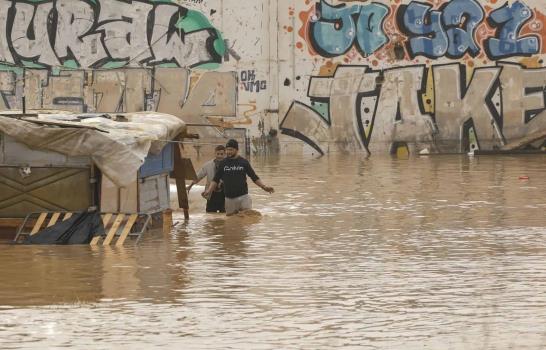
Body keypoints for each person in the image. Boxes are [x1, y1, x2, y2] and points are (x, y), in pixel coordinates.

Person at [203, 139, 274, 216]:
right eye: (227, 150)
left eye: (231, 150)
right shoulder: (223, 163)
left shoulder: (243, 162)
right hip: (229, 199)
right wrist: (209, 191)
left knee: (247, 220)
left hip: (243, 197)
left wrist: (264, 187)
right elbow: (215, 180)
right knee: (231, 223)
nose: (228, 152)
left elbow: (254, 177)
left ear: (237, 150)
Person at [187, 145, 226, 213]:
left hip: (224, 194)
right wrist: (190, 185)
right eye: (218, 154)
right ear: (215, 153)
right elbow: (199, 176)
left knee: (224, 215)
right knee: (210, 215)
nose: (219, 156)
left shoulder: (228, 165)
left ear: (224, 154)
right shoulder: (208, 165)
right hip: (211, 193)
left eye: (221, 154)